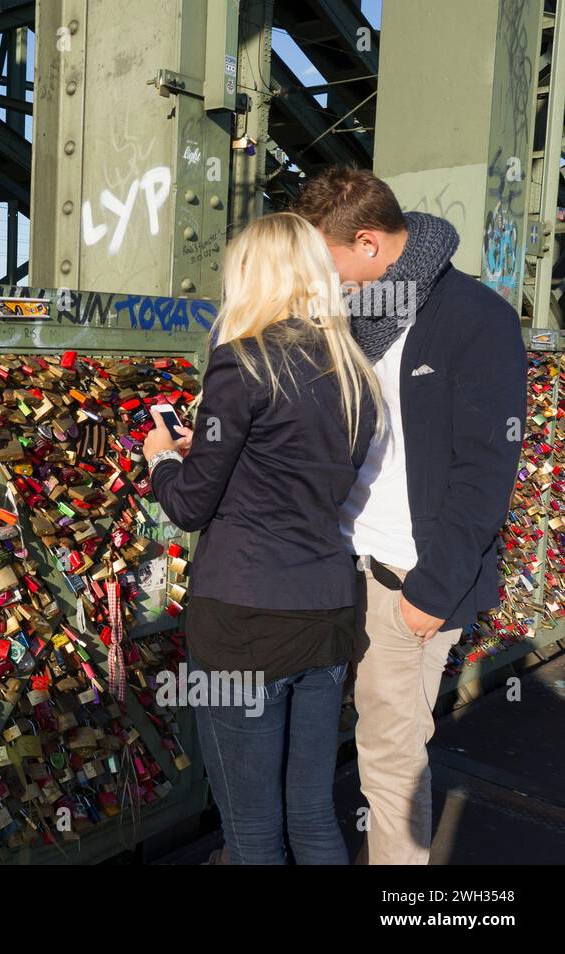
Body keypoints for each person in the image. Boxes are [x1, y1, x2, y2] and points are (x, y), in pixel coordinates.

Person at [292, 166, 527, 865]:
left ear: (368, 242)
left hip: (405, 581)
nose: (319, 275)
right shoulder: (357, 316)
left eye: (326, 258)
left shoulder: (474, 319)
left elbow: (487, 470)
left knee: (391, 767)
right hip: (332, 566)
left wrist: (431, 593)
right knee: (309, 738)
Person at [144, 211, 382, 864]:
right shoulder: (352, 371)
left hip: (245, 618)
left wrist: (162, 456)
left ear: (252, 277)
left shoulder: (241, 362)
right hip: (326, 612)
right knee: (311, 816)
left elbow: (191, 506)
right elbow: (298, 466)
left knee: (251, 834)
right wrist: (219, 447)